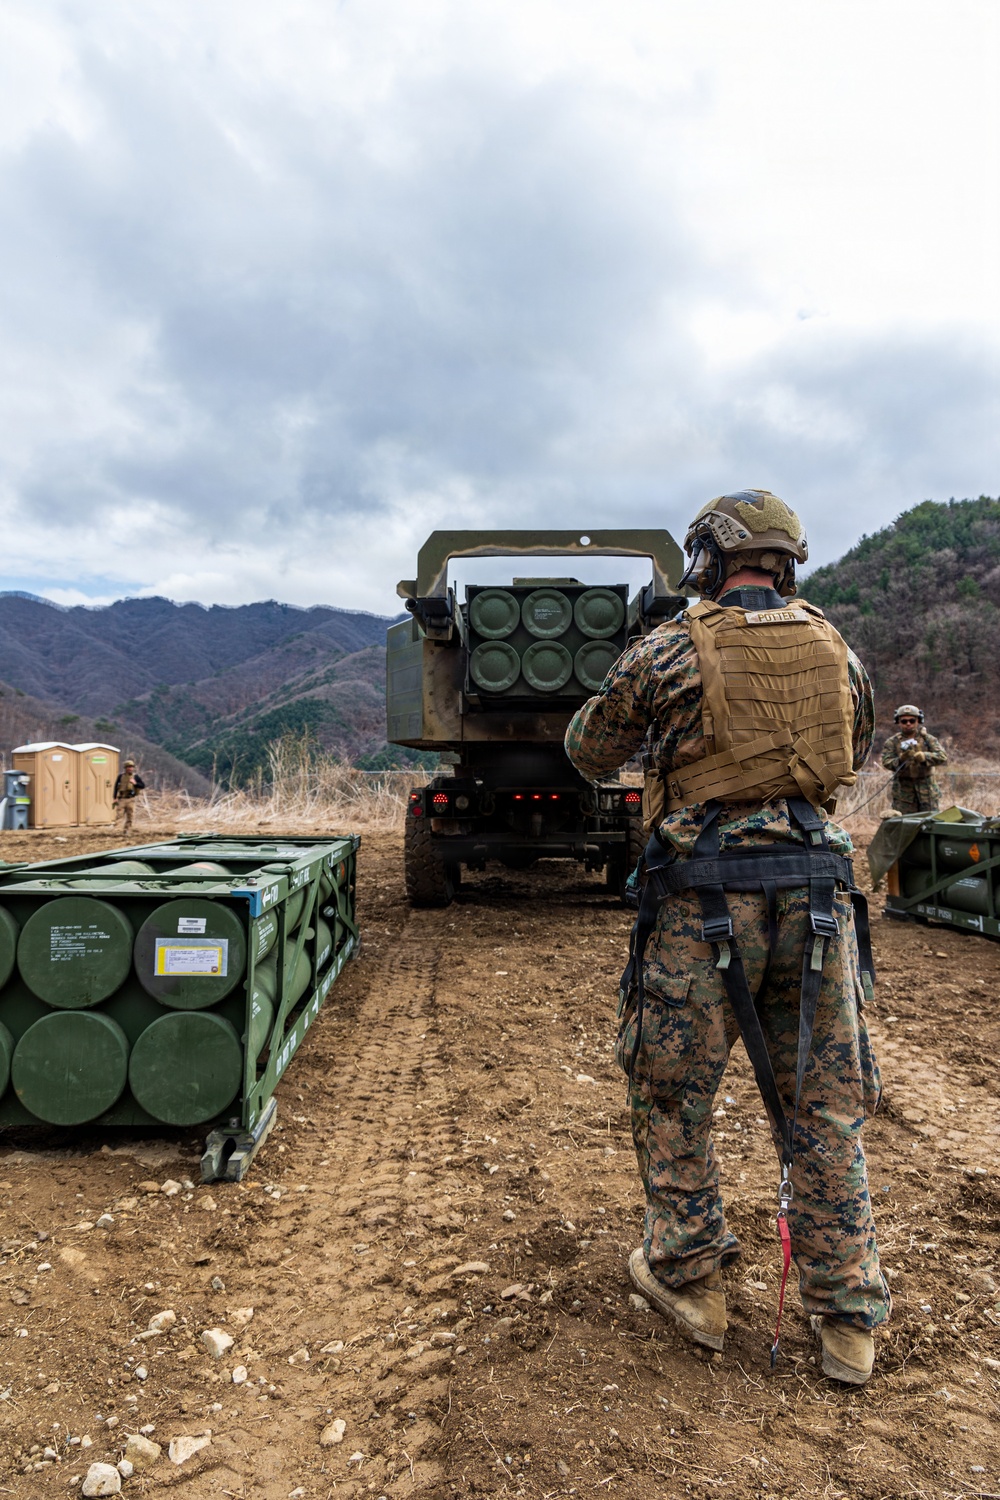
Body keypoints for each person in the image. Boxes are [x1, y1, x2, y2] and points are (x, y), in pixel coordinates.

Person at [565, 489, 888, 1386]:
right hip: (817, 897)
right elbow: (852, 748)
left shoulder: (669, 646)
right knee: (822, 1106)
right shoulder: (837, 648)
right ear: (786, 562)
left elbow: (589, 748)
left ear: (708, 559)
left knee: (672, 1093)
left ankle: (690, 1277)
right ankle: (847, 1320)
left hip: (704, 901)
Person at [880, 705, 948, 814]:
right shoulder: (892, 742)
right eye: (904, 721)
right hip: (903, 794)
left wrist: (925, 757)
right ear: (899, 722)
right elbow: (886, 762)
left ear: (918, 721)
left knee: (930, 821)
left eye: (912, 721)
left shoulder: (927, 739)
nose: (908, 724)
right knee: (904, 822)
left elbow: (942, 756)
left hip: (927, 792)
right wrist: (901, 759)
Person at [113, 758, 145, 833]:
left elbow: (142, 786)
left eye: (131, 767)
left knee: (130, 815)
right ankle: (117, 830)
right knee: (119, 815)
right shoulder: (120, 776)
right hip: (122, 799)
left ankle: (127, 830)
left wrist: (135, 783)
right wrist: (114, 797)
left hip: (131, 799)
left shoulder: (135, 777)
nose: (130, 768)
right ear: (125, 768)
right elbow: (116, 787)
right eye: (128, 767)